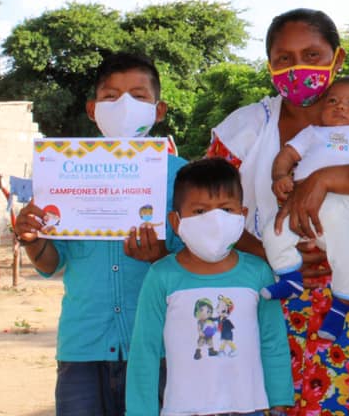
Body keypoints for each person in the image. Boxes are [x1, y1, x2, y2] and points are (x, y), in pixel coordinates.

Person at [207, 8, 349, 416]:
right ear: (269, 65)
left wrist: (325, 179)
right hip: (272, 292)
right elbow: (210, 206)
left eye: (312, 54)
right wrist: (266, 254)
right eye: (284, 58)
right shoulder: (245, 128)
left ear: (337, 59)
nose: (298, 66)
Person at [13, 52, 188, 415]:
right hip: (83, 345)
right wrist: (32, 239)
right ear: (93, 109)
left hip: (157, 349)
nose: (124, 105)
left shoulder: (183, 178)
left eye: (138, 96)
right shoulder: (61, 171)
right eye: (111, 97)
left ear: (159, 109)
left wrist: (161, 259)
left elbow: (202, 263)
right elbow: (51, 262)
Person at [125, 158, 294, 416]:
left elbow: (272, 341)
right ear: (176, 221)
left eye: (226, 210)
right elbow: (144, 350)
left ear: (242, 215)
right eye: (200, 211)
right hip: (183, 410)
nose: (215, 220)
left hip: (249, 409)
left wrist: (279, 402)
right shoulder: (161, 276)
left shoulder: (258, 272)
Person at [262, 75, 349, 341]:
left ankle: (339, 309)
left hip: (340, 208)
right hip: (298, 207)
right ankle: (289, 276)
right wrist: (279, 176)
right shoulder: (313, 133)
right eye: (332, 101)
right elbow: (287, 155)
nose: (340, 107)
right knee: (273, 231)